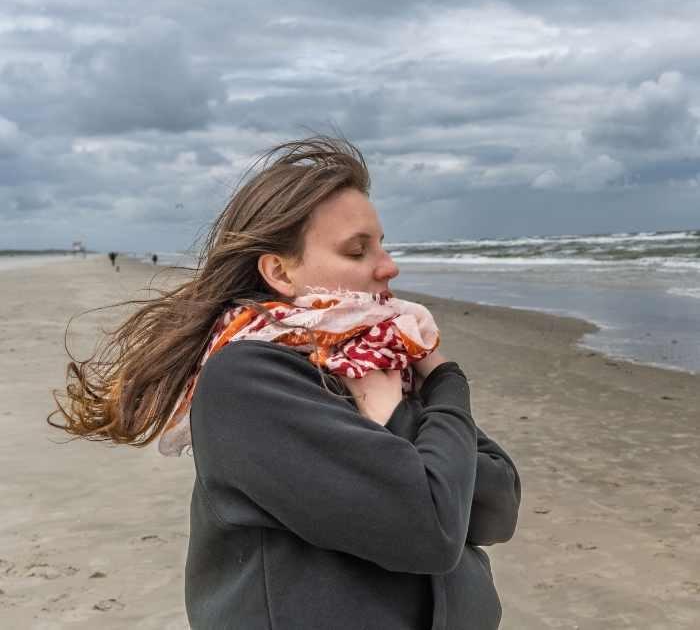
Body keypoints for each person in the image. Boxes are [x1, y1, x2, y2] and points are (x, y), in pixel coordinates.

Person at [49, 135, 521, 629]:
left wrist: (398, 414)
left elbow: (499, 507)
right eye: (357, 251)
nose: (389, 266)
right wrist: (442, 380)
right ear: (279, 271)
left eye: (382, 245)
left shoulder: (380, 363)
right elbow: (434, 528)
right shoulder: (247, 381)